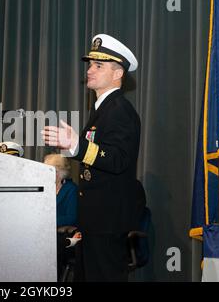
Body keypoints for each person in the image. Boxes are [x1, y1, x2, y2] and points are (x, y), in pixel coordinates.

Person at [42, 34, 145, 281]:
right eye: (90, 64)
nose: (90, 70)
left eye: (99, 66)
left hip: (107, 221)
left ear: (118, 74)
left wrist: (78, 146)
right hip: (93, 220)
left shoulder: (120, 110)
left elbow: (118, 159)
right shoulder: (101, 109)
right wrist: (76, 147)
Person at [43, 153, 78, 280]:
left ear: (57, 173)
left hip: (64, 237)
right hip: (44, 234)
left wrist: (47, 221)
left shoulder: (71, 189)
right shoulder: (45, 189)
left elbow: (71, 218)